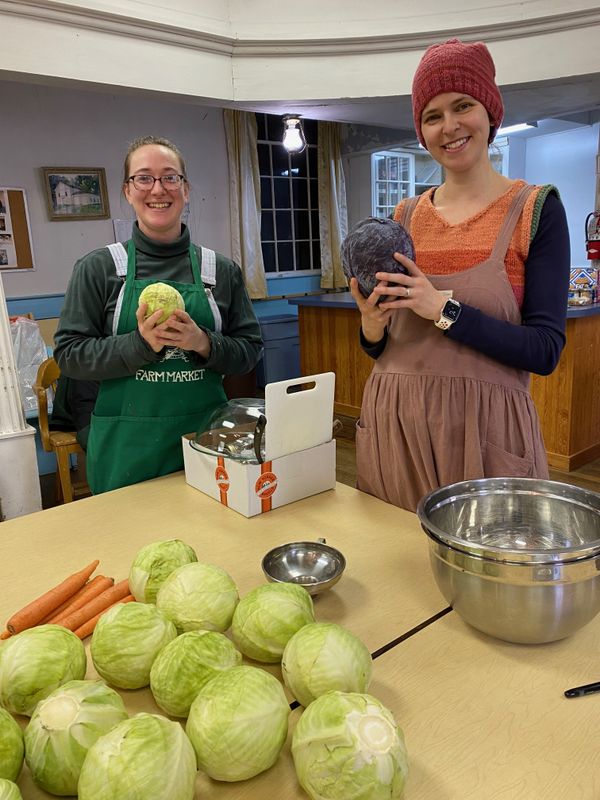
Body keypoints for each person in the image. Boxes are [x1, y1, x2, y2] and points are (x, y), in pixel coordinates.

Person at [349, 38, 570, 513]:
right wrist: (371, 326)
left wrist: (443, 310)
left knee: (488, 577)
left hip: (486, 432)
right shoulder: (404, 216)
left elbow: (545, 351)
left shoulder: (535, 210)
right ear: (421, 129)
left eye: (462, 106)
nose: (449, 126)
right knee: (394, 570)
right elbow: (383, 342)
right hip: (398, 423)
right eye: (432, 115)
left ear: (490, 112)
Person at [53, 135, 263, 494]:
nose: (157, 189)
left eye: (170, 177)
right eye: (144, 178)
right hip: (126, 448)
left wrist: (203, 342)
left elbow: (249, 350)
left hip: (206, 440)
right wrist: (139, 344)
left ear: (186, 188)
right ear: (127, 190)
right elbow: (69, 355)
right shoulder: (99, 268)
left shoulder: (221, 270)